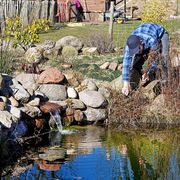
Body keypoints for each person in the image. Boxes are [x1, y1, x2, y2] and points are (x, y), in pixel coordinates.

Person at [121, 23, 169, 96]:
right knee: (136, 61)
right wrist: (125, 83)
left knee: (164, 57)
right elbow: (126, 63)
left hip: (161, 34)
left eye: (138, 49)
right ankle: (139, 80)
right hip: (144, 33)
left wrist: (149, 73)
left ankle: (166, 82)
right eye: (135, 50)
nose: (137, 52)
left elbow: (155, 59)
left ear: (141, 43)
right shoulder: (129, 44)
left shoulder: (151, 40)